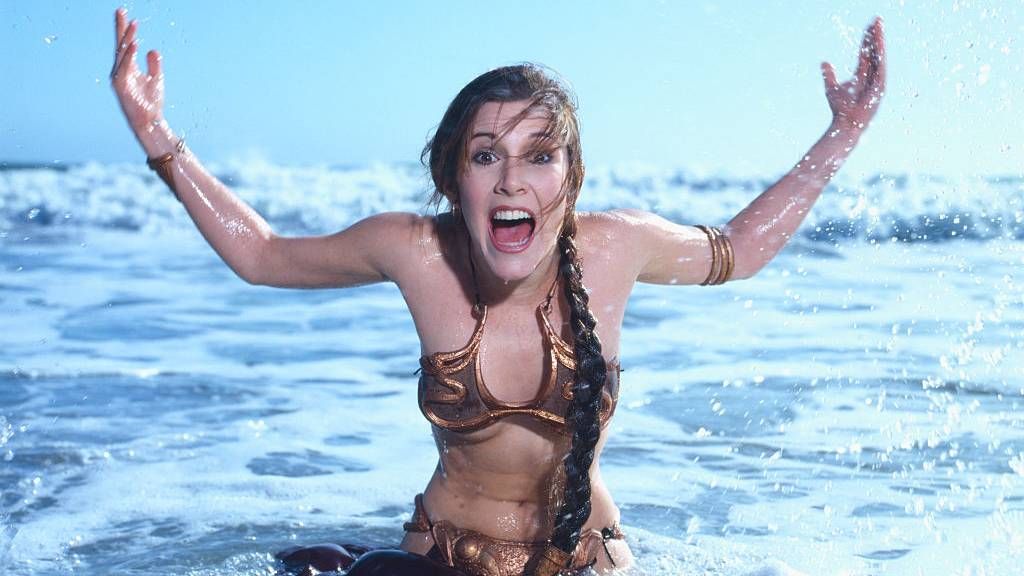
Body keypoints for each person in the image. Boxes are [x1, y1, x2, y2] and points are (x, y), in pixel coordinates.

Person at [110, 8, 885, 576]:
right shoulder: (415, 251)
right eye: (487, 155)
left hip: (585, 560)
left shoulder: (613, 247)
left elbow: (738, 251)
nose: (513, 177)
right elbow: (264, 255)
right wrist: (158, 137)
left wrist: (841, 136)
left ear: (570, 180)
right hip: (439, 560)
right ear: (455, 179)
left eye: (540, 155)